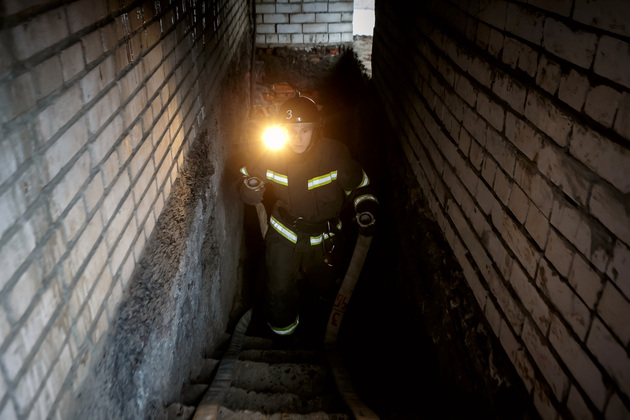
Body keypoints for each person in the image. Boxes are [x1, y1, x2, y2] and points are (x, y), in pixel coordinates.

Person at [239, 95, 379, 336]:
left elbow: (360, 186)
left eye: (305, 130)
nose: (297, 137)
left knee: (325, 284)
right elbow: (246, 174)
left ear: (317, 129)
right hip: (284, 233)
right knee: (279, 291)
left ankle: (324, 325)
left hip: (324, 238)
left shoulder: (334, 155)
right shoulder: (271, 155)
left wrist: (366, 208)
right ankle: (283, 336)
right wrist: (249, 188)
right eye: (291, 130)